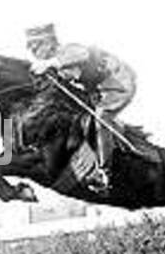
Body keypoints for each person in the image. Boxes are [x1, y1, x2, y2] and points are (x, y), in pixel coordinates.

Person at [25, 23, 137, 193]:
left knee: (101, 117)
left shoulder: (66, 50)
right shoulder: (53, 66)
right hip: (98, 89)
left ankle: (104, 172)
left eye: (36, 45)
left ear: (50, 42)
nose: (33, 50)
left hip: (118, 82)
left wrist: (52, 63)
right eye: (30, 46)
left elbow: (83, 54)